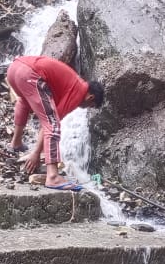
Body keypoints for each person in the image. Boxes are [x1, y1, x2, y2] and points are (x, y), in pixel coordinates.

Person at [7, 56, 105, 190]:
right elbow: (51, 123)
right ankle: (52, 176)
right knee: (53, 124)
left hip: (15, 69)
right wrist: (36, 153)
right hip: (30, 74)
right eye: (90, 105)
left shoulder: (73, 82)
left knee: (24, 100)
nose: (86, 108)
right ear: (90, 97)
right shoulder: (78, 91)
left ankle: (16, 143)